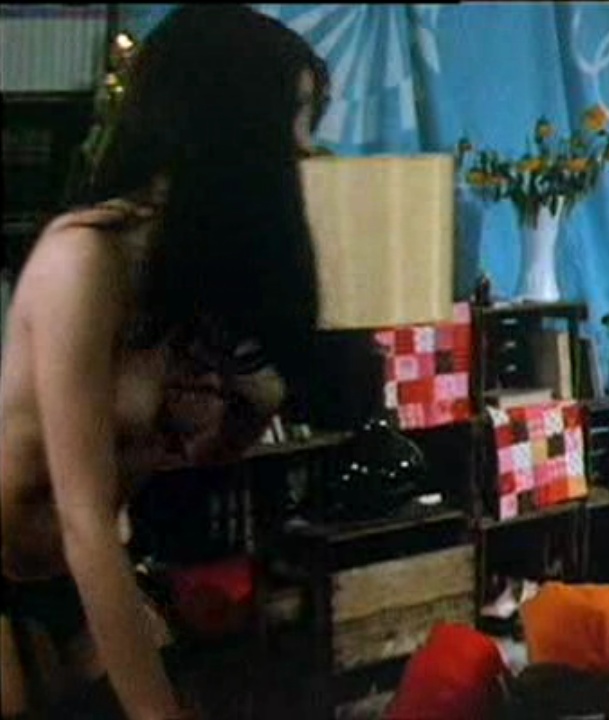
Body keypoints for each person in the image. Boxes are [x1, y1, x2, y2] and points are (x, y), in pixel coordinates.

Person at [0, 5, 328, 718]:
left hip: (70, 574)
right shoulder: (84, 257)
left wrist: (252, 401)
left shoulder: (183, 272)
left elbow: (201, 455)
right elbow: (85, 517)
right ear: (229, 124)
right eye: (292, 116)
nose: (305, 147)